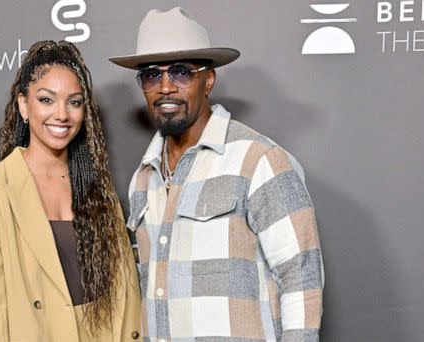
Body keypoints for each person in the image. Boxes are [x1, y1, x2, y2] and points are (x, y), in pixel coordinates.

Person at [109, 7, 324, 342]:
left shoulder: (258, 160)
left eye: (181, 72)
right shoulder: (143, 178)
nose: (165, 87)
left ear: (208, 80)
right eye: (151, 74)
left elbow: (301, 278)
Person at [0, 40, 141, 342]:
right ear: (23, 105)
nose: (62, 114)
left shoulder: (98, 188)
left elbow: (127, 292)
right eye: (47, 100)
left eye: (74, 102)